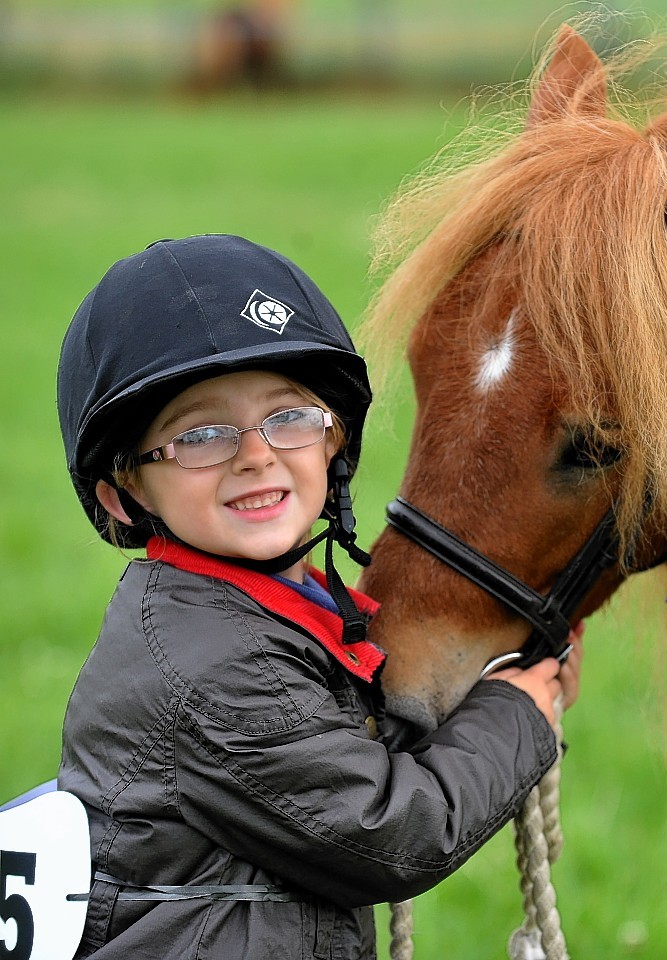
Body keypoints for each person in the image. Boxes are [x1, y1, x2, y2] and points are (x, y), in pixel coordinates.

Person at [55, 234, 582, 959]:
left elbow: (330, 763)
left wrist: (488, 685)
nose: (256, 454)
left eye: (289, 417)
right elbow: (389, 832)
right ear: (123, 494)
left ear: (333, 441)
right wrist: (520, 714)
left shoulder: (255, 612)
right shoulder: (215, 664)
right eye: (201, 435)